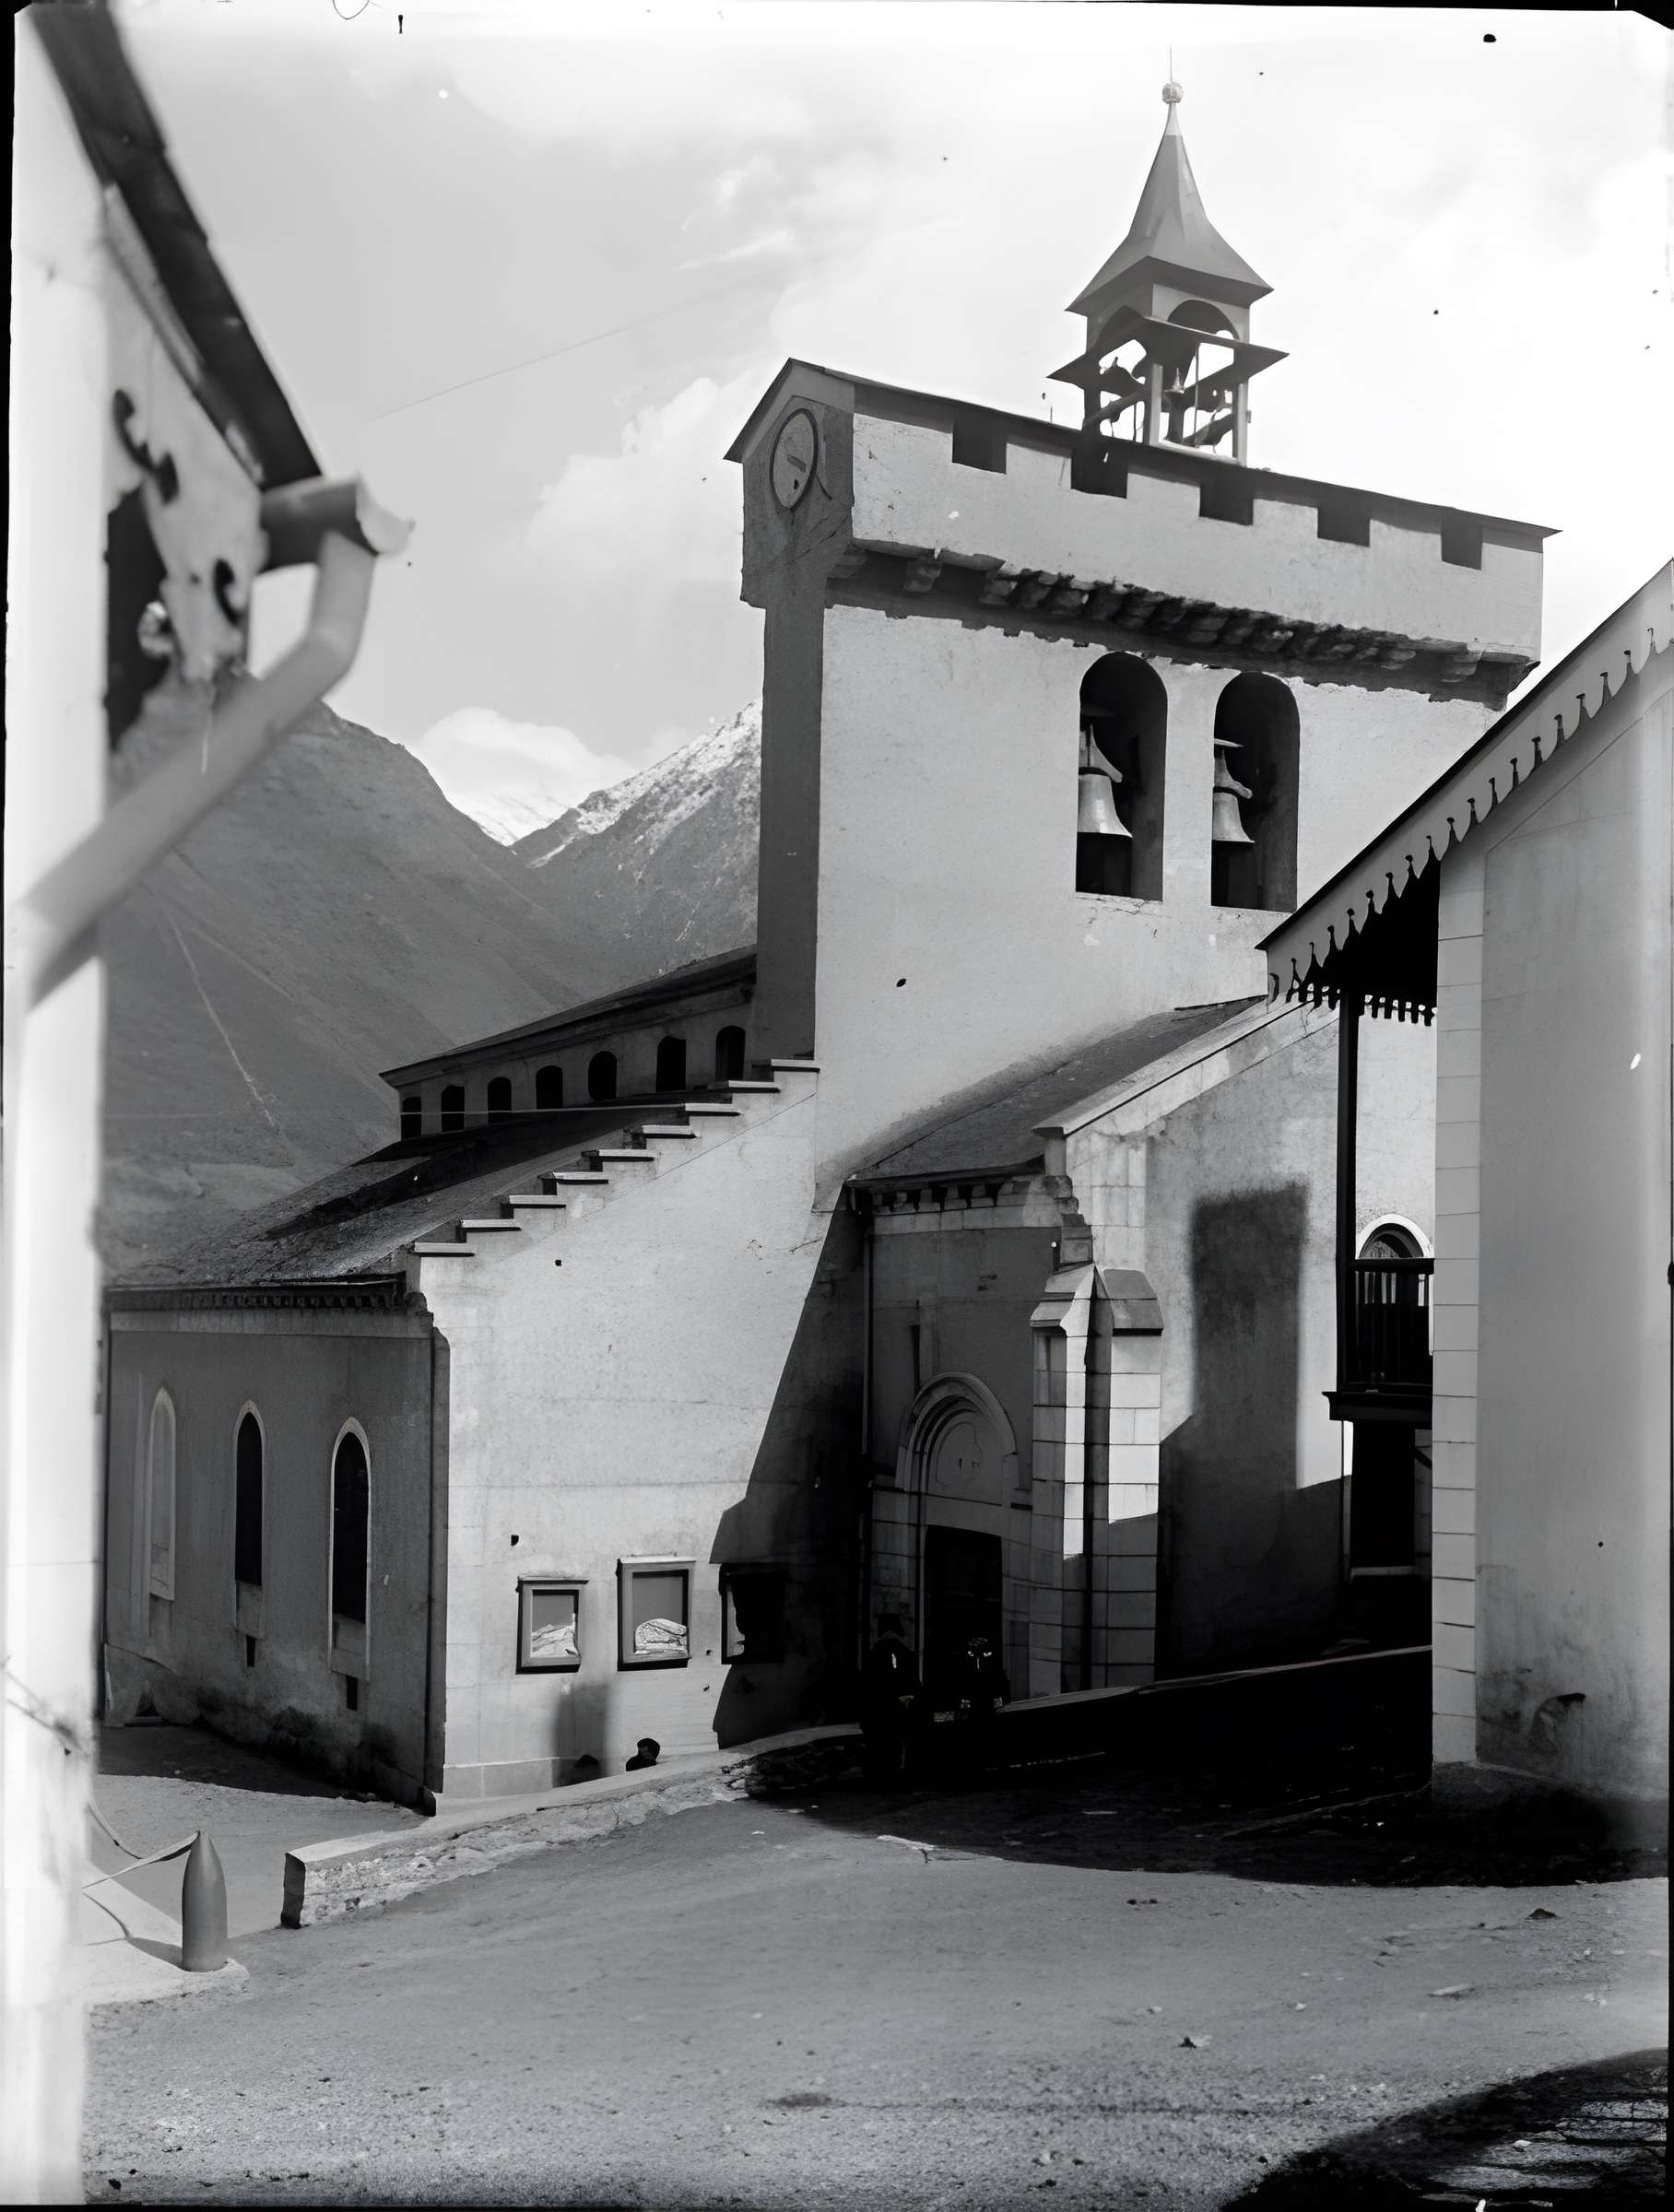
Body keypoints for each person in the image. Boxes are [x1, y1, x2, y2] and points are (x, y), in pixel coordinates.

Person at [861, 1613, 920, 1783]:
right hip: (897, 1706)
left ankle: (884, 1774)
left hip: (881, 1706)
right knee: (895, 1743)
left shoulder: (878, 1650)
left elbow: (869, 1682)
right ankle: (895, 1773)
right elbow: (911, 1681)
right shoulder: (903, 1650)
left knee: (882, 1743)